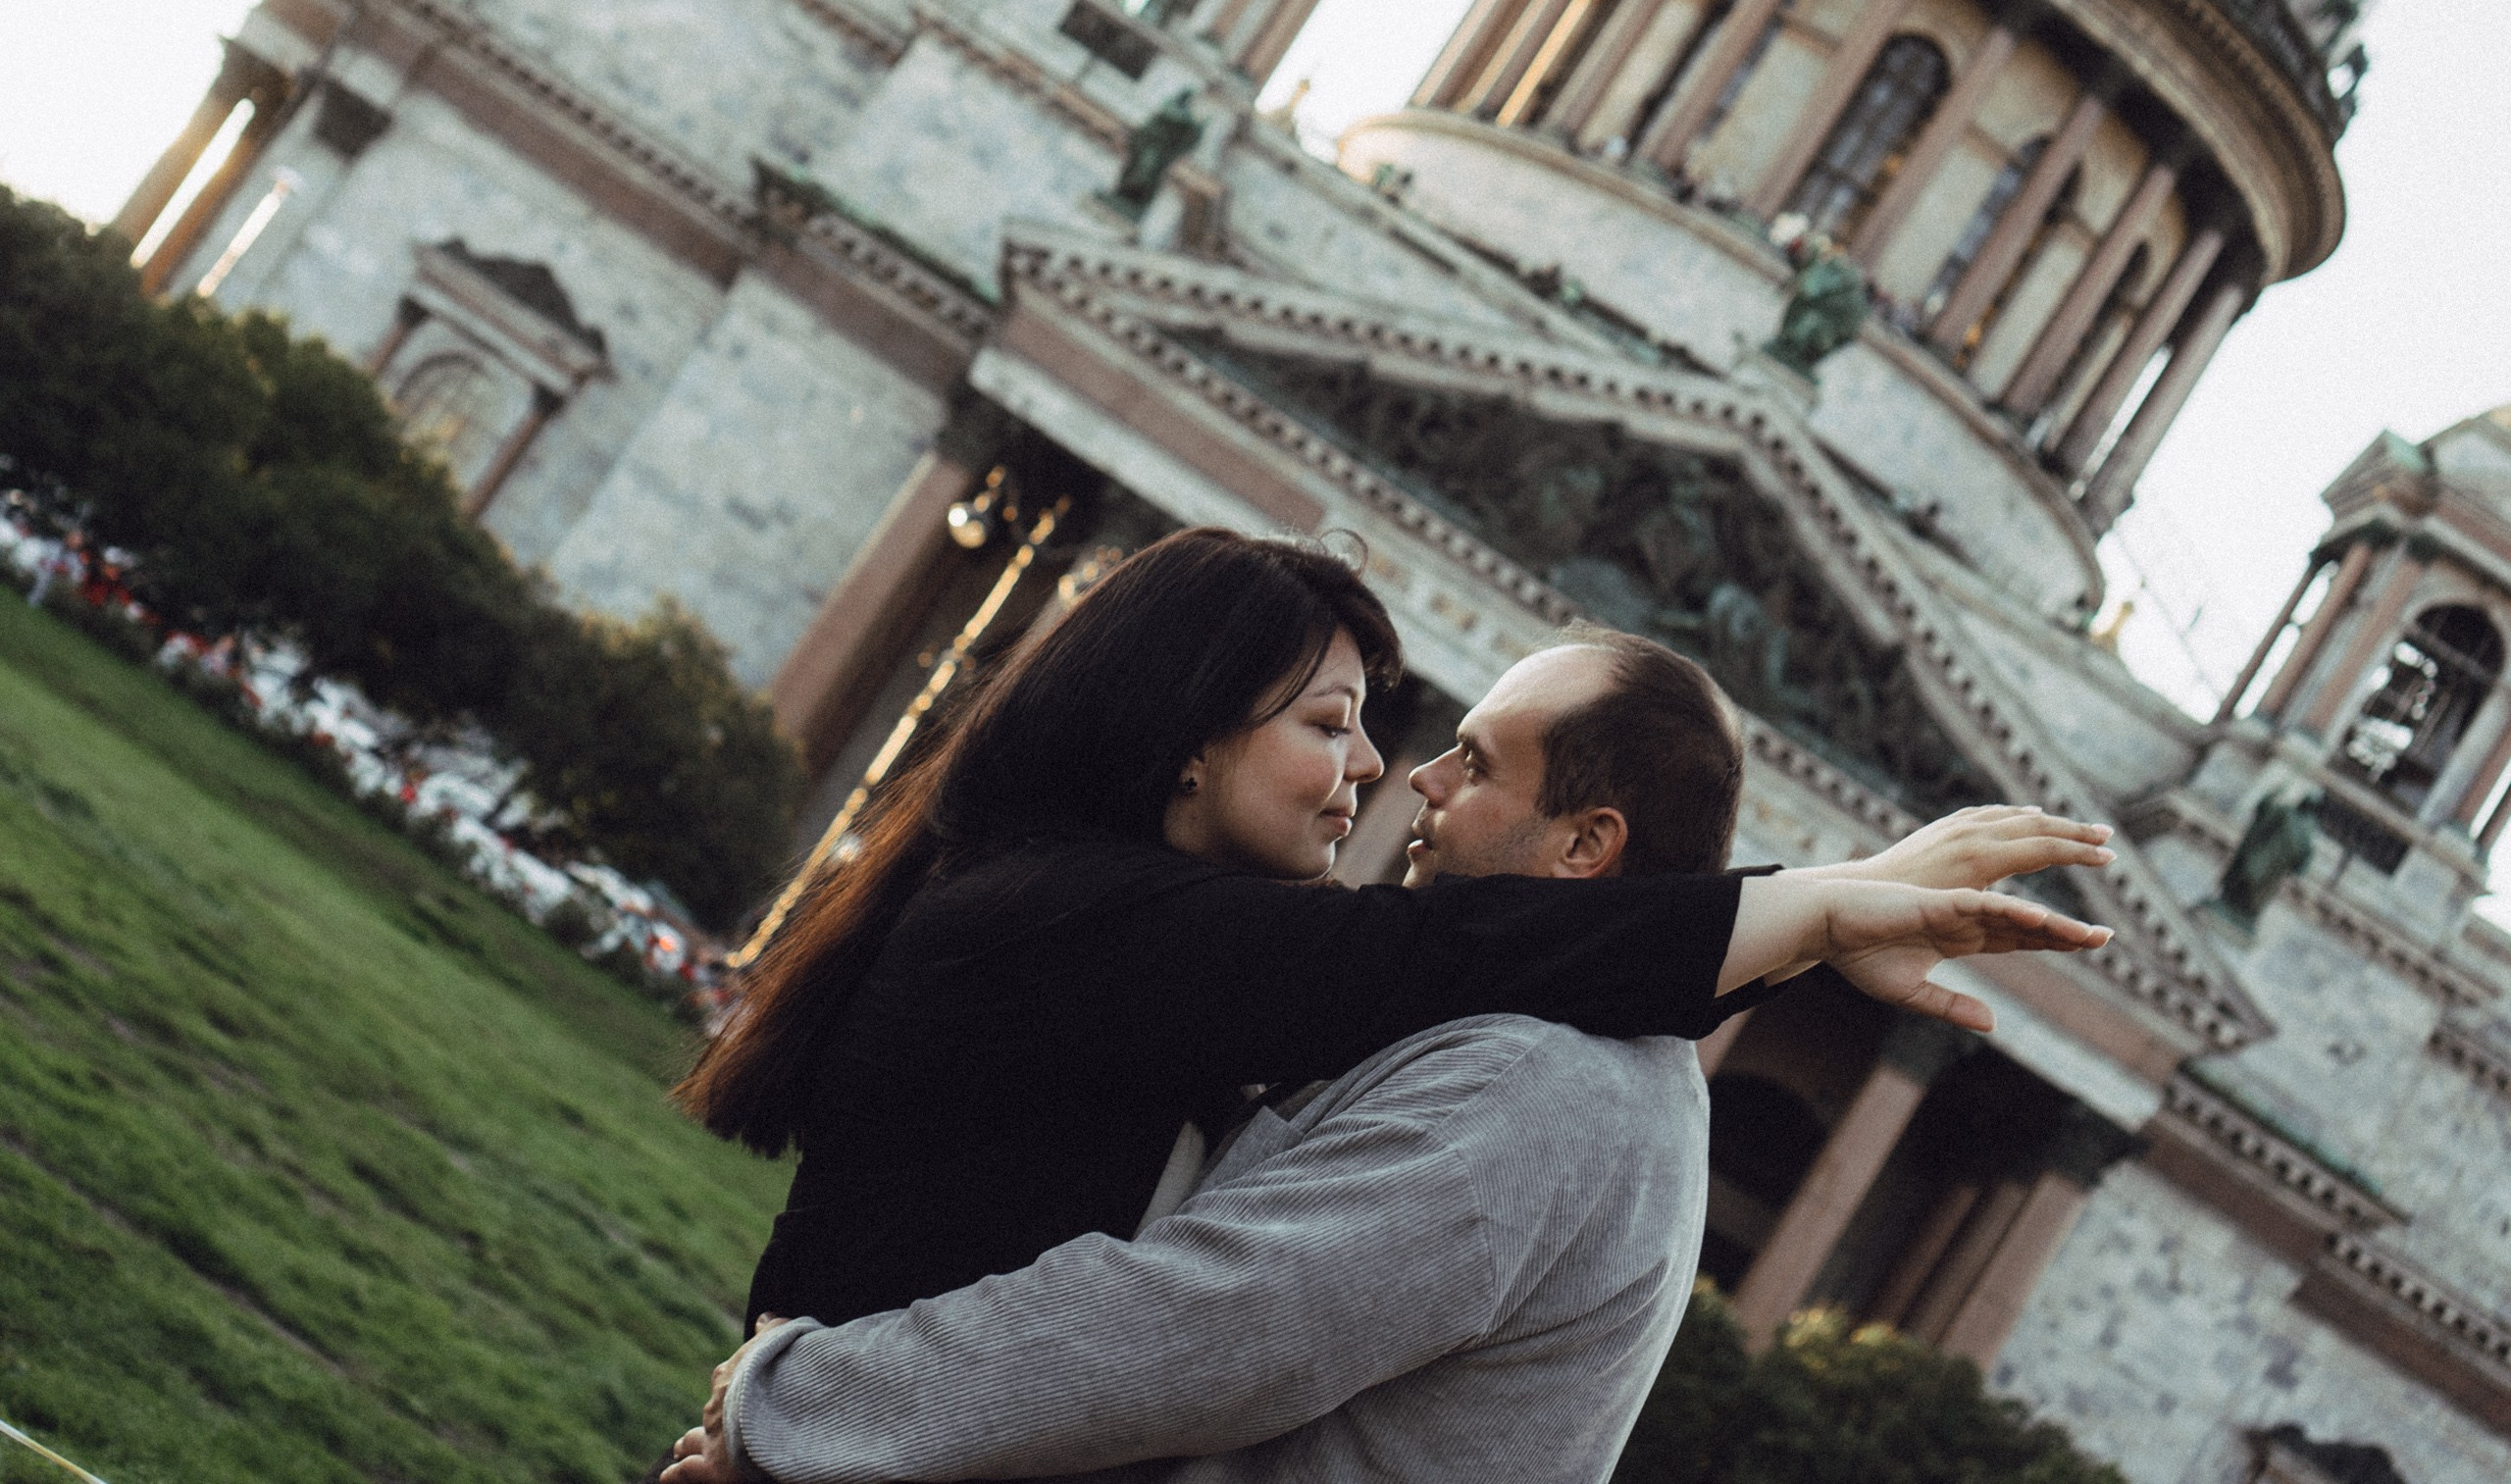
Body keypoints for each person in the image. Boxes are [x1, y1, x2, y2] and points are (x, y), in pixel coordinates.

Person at [665, 531, 2100, 1457]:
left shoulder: (1549, 1079)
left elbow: (1207, 1322)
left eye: (1465, 758)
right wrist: (1810, 915)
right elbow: (1438, 955)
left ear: (1587, 847)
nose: (1395, 773)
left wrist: (787, 1411)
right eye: (1333, 723)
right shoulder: (1092, 921)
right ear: (1184, 740)